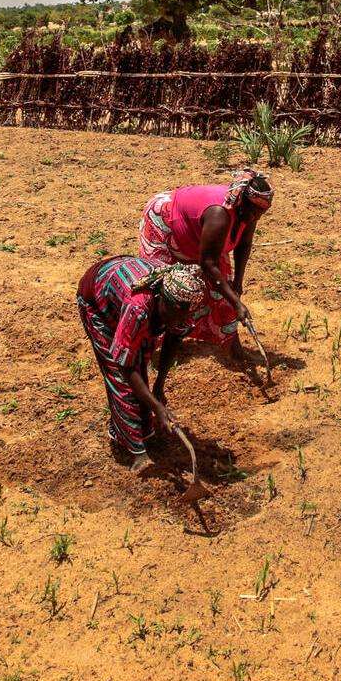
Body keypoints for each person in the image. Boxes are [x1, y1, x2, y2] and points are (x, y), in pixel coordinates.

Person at [76, 256, 207, 474]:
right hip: (98, 305)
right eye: (172, 316)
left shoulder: (182, 306)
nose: (175, 322)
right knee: (121, 380)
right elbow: (125, 366)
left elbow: (173, 339)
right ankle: (136, 452)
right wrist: (156, 406)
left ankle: (141, 431)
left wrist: (159, 387)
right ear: (161, 300)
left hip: (129, 302)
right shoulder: (138, 308)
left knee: (141, 371)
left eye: (180, 319)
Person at [137, 170, 272, 350]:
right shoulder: (220, 214)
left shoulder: (249, 211)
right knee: (164, 286)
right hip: (165, 221)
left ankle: (229, 344)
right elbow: (208, 264)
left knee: (224, 288)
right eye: (254, 212)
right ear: (241, 201)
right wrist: (237, 302)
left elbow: (244, 245)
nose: (256, 217)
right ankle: (149, 343)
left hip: (200, 232)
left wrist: (238, 283)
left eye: (261, 213)